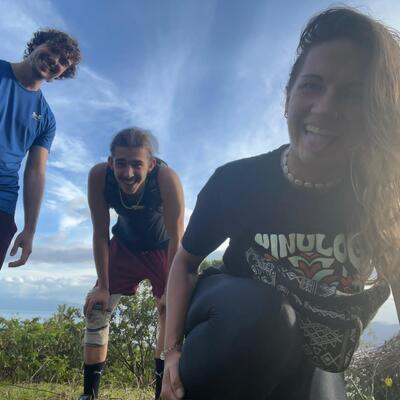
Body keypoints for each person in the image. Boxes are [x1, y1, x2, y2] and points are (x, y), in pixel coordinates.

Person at [161, 7, 400, 400]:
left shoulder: (381, 197)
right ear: (287, 98)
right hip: (233, 321)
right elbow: (185, 262)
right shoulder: (237, 181)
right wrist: (171, 352)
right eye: (312, 86)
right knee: (267, 317)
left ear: (374, 112)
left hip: (312, 347)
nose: (325, 107)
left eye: (352, 94)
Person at [79, 128, 184, 400]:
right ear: (110, 162)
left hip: (163, 249)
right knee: (97, 308)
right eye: (121, 163)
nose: (127, 173)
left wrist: (170, 290)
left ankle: (161, 393)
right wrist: (103, 286)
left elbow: (177, 237)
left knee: (169, 313)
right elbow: (100, 233)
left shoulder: (166, 178)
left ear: (150, 164)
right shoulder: (99, 176)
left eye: (137, 164)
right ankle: (89, 394)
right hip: (124, 246)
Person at [0, 29, 81, 269]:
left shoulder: (46, 119)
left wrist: (30, 229)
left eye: (64, 61)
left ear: (63, 73)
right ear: (37, 44)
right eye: (53, 50)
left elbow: (36, 172)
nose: (55, 60)